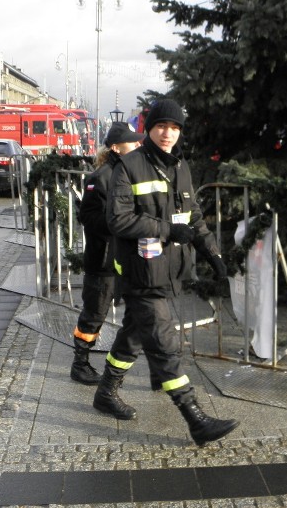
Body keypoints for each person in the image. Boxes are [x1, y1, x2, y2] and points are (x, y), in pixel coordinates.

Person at [93, 99, 238, 447]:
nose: (168, 133)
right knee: (163, 342)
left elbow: (194, 217)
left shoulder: (180, 167)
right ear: (149, 128)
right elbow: (119, 219)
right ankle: (195, 419)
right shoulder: (129, 166)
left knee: (134, 333)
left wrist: (214, 254)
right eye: (161, 126)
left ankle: (105, 392)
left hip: (167, 270)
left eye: (174, 128)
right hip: (139, 270)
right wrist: (167, 230)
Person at [70, 122, 144, 385]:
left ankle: (124, 369)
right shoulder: (101, 176)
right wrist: (118, 222)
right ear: (116, 147)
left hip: (128, 259)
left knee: (138, 312)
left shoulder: (129, 172)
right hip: (103, 260)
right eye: (132, 142)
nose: (138, 145)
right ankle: (80, 364)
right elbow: (88, 217)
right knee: (94, 314)